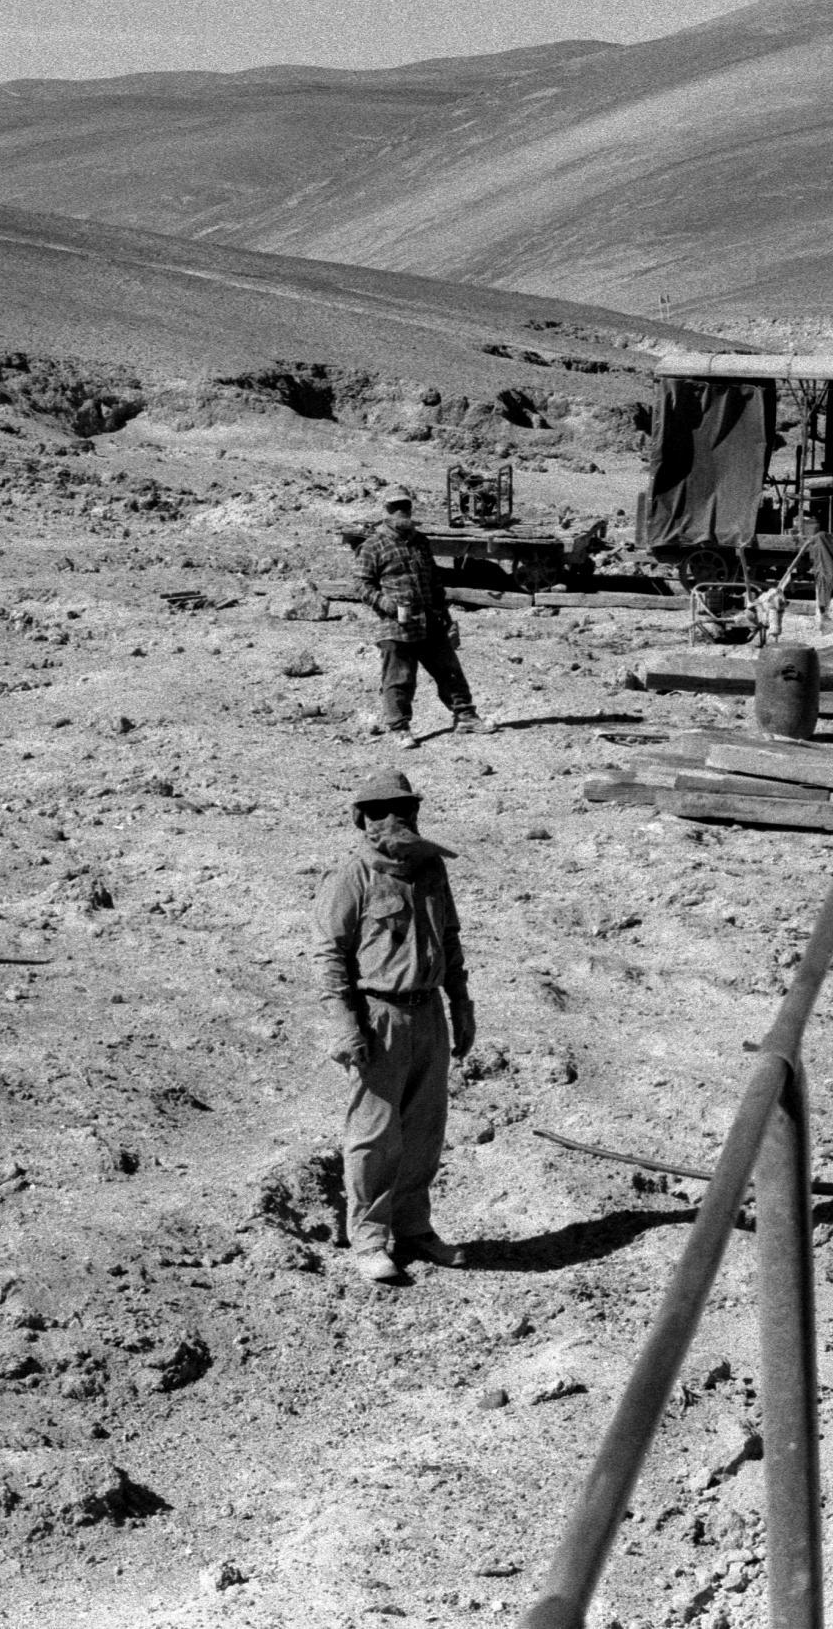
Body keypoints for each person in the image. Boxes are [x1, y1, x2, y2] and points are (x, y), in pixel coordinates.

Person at [313, 768, 476, 1284]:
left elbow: (449, 942)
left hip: (428, 1014)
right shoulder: (351, 877)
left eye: (403, 809)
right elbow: (330, 958)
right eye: (380, 810)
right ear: (362, 820)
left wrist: (462, 1007)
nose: (394, 819)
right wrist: (345, 1028)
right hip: (377, 1017)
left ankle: (413, 1227)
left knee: (425, 1131)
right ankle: (368, 1237)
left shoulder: (431, 869)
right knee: (374, 1136)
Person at [354, 490, 490, 749]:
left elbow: (435, 580)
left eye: (405, 505)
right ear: (386, 510)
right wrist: (386, 604)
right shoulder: (373, 545)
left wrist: (445, 614)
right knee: (398, 679)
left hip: (429, 620)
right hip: (395, 626)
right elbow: (361, 584)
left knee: (449, 671)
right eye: (395, 506)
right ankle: (400, 728)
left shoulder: (420, 542)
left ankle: (465, 717)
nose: (401, 511)